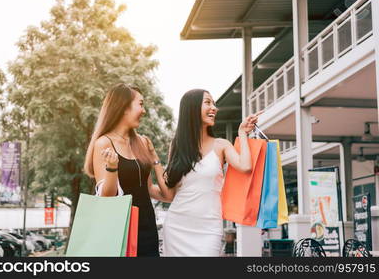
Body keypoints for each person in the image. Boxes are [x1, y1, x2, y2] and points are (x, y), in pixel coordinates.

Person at [161, 89, 262, 256]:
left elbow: (245, 166)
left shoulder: (221, 145)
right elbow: (170, 192)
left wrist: (242, 133)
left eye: (213, 103)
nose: (214, 108)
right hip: (176, 226)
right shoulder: (177, 145)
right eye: (207, 102)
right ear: (192, 108)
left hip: (209, 228)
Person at [84, 83, 172, 257]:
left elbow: (158, 192)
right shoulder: (104, 143)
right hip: (119, 230)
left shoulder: (141, 142)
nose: (144, 110)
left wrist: (154, 157)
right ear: (123, 107)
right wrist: (112, 169)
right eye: (140, 104)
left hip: (147, 228)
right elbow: (106, 197)